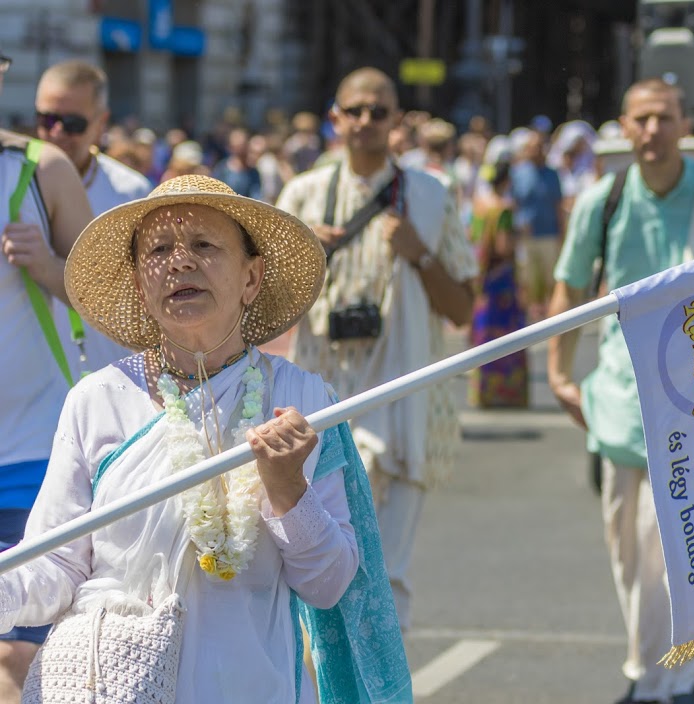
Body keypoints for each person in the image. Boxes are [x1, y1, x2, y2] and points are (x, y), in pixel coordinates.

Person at [0, 174, 411, 703]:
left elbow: (329, 585)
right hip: (113, 684)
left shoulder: (304, 400)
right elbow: (55, 564)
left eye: (203, 245)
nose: (179, 263)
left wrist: (288, 489)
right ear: (139, 284)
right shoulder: (98, 399)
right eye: (159, 251)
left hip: (253, 687)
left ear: (251, 277)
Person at [547, 77, 694, 704]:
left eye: (664, 117)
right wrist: (559, 374)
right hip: (625, 395)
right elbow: (570, 287)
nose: (652, 130)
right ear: (623, 127)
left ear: (685, 124)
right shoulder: (603, 200)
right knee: (631, 550)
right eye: (641, 119)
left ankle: (678, 676)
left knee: (686, 543)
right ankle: (652, 672)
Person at [275, 67, 477, 632]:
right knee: (314, 575)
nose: (366, 121)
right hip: (320, 406)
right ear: (335, 118)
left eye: (378, 111)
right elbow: (264, 308)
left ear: (397, 122)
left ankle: (385, 678)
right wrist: (304, 258)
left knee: (388, 576)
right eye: (355, 110)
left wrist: (419, 254)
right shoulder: (302, 195)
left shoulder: (430, 195)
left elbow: (463, 308)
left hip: (401, 405)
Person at [0, 50, 95, 700]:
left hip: (33, 452)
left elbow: (106, 295)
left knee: (16, 657)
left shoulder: (41, 169)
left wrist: (46, 266)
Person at [35, 60, 152, 377]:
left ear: (101, 124)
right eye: (47, 119)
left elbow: (146, 294)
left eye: (73, 123)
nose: (57, 132)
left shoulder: (131, 192)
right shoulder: (13, 185)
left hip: (112, 373)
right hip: (35, 383)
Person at [467, 158, 528, 408]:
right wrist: (518, 235)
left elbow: (471, 236)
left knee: (484, 332)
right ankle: (506, 391)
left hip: (481, 277)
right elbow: (503, 246)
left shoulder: (479, 206)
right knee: (507, 334)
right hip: (501, 278)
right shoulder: (504, 209)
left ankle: (483, 391)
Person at [510, 129, 564, 320]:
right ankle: (531, 315)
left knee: (550, 277)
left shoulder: (552, 174)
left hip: (549, 233)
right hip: (526, 237)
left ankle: (551, 313)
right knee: (529, 279)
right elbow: (513, 203)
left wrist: (562, 234)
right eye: (532, 148)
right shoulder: (518, 173)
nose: (535, 151)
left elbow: (558, 205)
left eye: (539, 147)